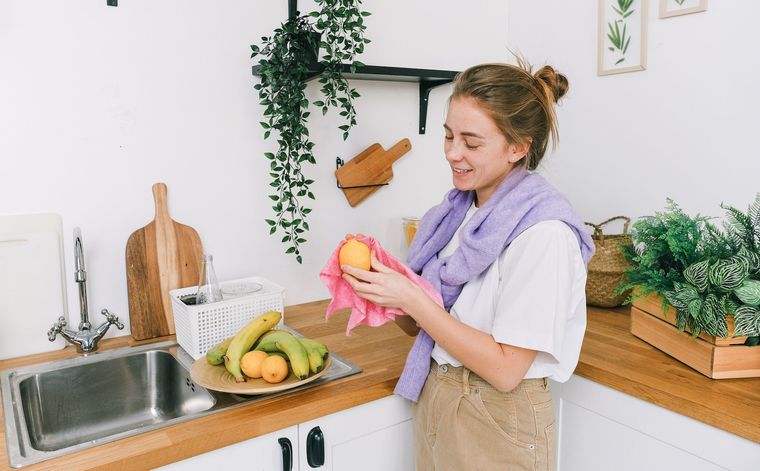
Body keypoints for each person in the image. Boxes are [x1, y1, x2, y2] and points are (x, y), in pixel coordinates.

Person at [340, 59, 595, 471]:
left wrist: (412, 297)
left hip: (500, 415)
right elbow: (428, 324)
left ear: (518, 147)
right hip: (439, 394)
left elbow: (506, 369)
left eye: (471, 143)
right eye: (448, 136)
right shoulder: (456, 215)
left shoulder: (544, 234)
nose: (453, 154)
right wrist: (384, 290)